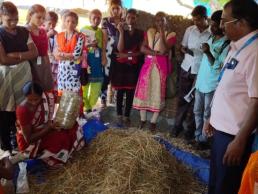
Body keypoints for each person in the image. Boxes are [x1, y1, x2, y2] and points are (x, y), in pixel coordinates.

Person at [204, 0, 258, 193]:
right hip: (222, 131)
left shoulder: (255, 52)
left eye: (224, 21)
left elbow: (256, 101)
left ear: (241, 22)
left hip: (234, 137)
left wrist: (240, 141)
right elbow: (228, 88)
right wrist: (213, 118)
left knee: (226, 187)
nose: (220, 26)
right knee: (215, 183)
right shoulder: (236, 46)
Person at [16, 82, 84, 167]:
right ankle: (55, 160)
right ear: (25, 98)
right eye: (30, 100)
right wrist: (49, 128)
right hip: (30, 143)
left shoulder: (47, 97)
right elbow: (29, 139)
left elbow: (63, 99)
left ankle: (66, 153)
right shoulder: (22, 110)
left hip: (45, 128)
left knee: (72, 127)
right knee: (61, 138)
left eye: (36, 99)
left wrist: (74, 102)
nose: (33, 103)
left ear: (42, 95)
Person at [0, 1, 38, 154]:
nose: (14, 22)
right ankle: (6, 147)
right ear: (1, 17)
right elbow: (2, 60)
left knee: (22, 109)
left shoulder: (23, 31)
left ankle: (19, 141)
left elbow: (34, 52)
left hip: (23, 75)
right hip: (5, 78)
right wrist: (25, 56)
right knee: (5, 111)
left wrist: (16, 55)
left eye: (16, 19)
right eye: (10, 20)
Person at [170, 5, 210, 139]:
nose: (196, 23)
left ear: (205, 18)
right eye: (194, 20)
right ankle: (177, 126)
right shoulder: (190, 30)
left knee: (196, 103)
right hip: (187, 67)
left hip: (201, 71)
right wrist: (187, 51)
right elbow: (182, 47)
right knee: (182, 99)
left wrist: (201, 52)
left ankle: (190, 130)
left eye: (199, 20)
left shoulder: (211, 33)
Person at [192, 10, 230, 149]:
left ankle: (204, 141)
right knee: (197, 111)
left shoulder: (227, 44)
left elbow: (218, 67)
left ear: (222, 25)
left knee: (207, 115)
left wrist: (208, 52)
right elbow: (203, 65)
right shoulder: (210, 39)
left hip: (212, 86)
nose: (212, 28)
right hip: (201, 83)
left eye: (215, 25)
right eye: (211, 25)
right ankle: (198, 138)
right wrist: (196, 80)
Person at [133, 12, 176, 131]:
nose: (160, 23)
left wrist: (162, 32)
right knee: (143, 91)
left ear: (166, 21)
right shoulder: (150, 32)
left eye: (162, 20)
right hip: (148, 66)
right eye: (157, 21)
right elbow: (142, 48)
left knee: (157, 92)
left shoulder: (171, 34)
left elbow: (167, 47)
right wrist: (155, 53)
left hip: (160, 68)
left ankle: (153, 122)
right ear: (154, 22)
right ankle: (142, 120)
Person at [111, 8, 144, 126]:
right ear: (125, 18)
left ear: (137, 19)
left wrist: (127, 54)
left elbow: (141, 51)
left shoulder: (140, 33)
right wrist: (120, 32)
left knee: (130, 92)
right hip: (120, 66)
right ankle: (119, 115)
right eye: (128, 17)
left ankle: (127, 116)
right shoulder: (120, 30)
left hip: (133, 66)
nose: (131, 19)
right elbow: (119, 49)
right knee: (120, 91)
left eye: (133, 17)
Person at [54, 11, 85, 96]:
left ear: (76, 24)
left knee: (73, 98)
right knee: (62, 98)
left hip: (74, 71)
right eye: (68, 21)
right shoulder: (58, 36)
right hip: (62, 72)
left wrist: (62, 54)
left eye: (73, 22)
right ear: (64, 22)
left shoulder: (80, 36)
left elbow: (76, 55)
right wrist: (69, 55)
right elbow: (56, 55)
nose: (70, 24)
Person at [101, 0, 124, 107]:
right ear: (110, 8)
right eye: (113, 8)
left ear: (121, 9)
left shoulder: (124, 21)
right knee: (106, 77)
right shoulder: (105, 21)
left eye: (117, 8)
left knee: (118, 76)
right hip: (108, 52)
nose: (115, 11)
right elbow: (104, 39)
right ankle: (103, 100)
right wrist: (104, 55)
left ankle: (115, 101)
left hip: (120, 53)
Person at [81, 9, 104, 113]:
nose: (96, 20)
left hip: (97, 61)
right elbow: (79, 46)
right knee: (85, 85)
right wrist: (90, 45)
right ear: (90, 18)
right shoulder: (84, 29)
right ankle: (85, 106)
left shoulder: (100, 32)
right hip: (87, 61)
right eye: (94, 17)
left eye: (99, 18)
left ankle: (90, 105)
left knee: (97, 86)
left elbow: (102, 47)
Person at [26, 4, 54, 91]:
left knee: (45, 87)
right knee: (34, 89)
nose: (42, 20)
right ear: (30, 15)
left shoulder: (42, 31)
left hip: (44, 63)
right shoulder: (25, 30)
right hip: (32, 64)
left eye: (43, 18)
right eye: (39, 17)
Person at [43, 11, 59, 92]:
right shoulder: (41, 32)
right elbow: (39, 43)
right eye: (49, 23)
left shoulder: (56, 34)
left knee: (53, 83)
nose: (51, 26)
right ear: (44, 22)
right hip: (44, 63)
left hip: (54, 63)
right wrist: (48, 35)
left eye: (54, 24)